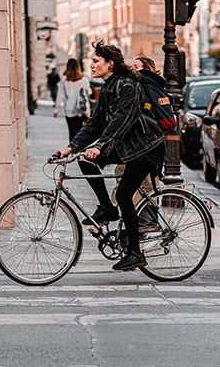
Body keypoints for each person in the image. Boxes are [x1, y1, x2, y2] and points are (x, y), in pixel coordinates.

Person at [55, 42, 165, 271]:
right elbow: (96, 123)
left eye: (96, 61)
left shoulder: (128, 86)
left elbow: (121, 121)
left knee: (125, 195)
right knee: (85, 159)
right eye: (92, 61)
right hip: (129, 147)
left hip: (145, 147)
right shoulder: (109, 86)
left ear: (110, 64)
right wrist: (71, 147)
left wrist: (101, 147)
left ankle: (135, 253)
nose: (91, 65)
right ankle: (107, 208)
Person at [53, 58, 92, 141]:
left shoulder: (64, 79)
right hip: (81, 109)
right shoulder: (84, 79)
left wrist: (56, 110)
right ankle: (78, 150)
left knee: (72, 132)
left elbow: (61, 95)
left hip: (69, 109)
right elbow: (89, 92)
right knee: (80, 132)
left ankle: (71, 150)